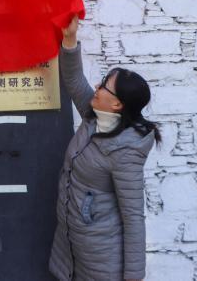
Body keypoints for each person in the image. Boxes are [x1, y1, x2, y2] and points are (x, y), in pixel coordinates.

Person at [49, 16, 161, 281]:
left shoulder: (126, 152)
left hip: (102, 257)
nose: (97, 88)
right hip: (73, 243)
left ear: (117, 104)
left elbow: (133, 217)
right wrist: (69, 38)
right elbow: (74, 79)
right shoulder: (94, 116)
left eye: (104, 87)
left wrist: (133, 277)